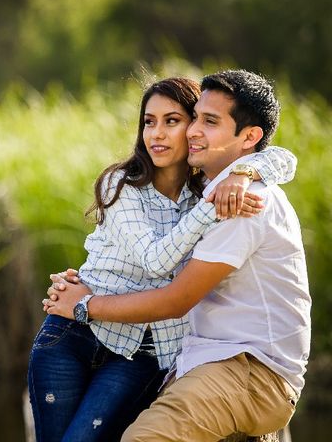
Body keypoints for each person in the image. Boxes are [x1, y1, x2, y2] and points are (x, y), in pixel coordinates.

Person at [44, 70, 310, 442]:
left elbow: (177, 299)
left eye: (207, 121)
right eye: (195, 118)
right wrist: (244, 170)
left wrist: (84, 304)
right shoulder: (202, 191)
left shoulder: (238, 203)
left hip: (247, 368)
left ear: (248, 137)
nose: (192, 131)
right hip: (196, 361)